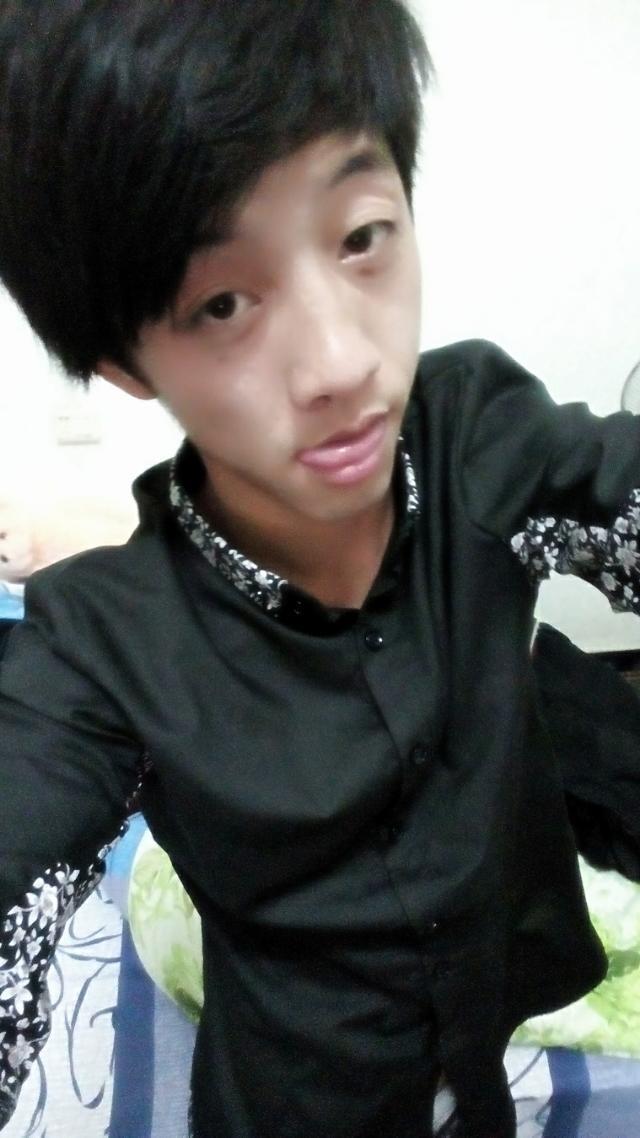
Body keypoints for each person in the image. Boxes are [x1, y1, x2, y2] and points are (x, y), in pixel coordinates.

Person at [0, 2, 639, 1136]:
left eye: (360, 238)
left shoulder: (478, 436)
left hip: (483, 1031)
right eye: (223, 303)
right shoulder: (98, 653)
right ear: (122, 359)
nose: (343, 361)